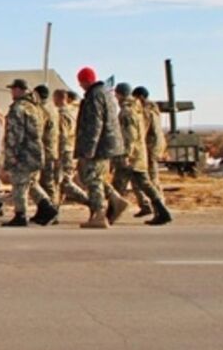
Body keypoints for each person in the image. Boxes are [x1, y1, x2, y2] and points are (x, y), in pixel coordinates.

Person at [74, 67, 131, 229]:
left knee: (93, 179)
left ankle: (99, 214)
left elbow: (94, 124)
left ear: (85, 81)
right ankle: (116, 200)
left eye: (81, 82)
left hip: (98, 145)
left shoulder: (94, 96)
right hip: (107, 144)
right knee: (96, 177)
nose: (80, 86)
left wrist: (89, 149)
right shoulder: (106, 94)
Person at [1, 79, 60, 228]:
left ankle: (20, 215)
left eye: (13, 89)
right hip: (36, 151)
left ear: (20, 90)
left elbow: (16, 134)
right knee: (31, 182)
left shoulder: (18, 108)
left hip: (23, 153)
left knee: (19, 183)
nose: (12, 92)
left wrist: (11, 155)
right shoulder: (36, 107)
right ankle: (48, 208)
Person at [113, 83, 173, 226]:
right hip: (141, 153)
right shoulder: (140, 109)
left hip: (134, 154)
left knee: (119, 185)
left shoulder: (128, 111)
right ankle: (161, 210)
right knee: (145, 183)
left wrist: (126, 154)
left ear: (119, 94)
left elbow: (130, 136)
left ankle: (110, 214)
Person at [133, 86, 167, 214]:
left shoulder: (146, 111)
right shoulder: (154, 109)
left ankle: (159, 206)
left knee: (150, 179)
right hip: (154, 147)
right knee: (147, 178)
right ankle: (149, 205)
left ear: (140, 97)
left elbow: (142, 131)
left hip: (149, 148)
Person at [53, 89, 89, 206]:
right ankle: (55, 208)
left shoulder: (62, 114)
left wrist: (58, 154)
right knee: (61, 181)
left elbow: (62, 136)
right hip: (72, 149)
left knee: (63, 182)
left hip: (65, 151)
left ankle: (90, 202)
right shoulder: (73, 112)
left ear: (57, 98)